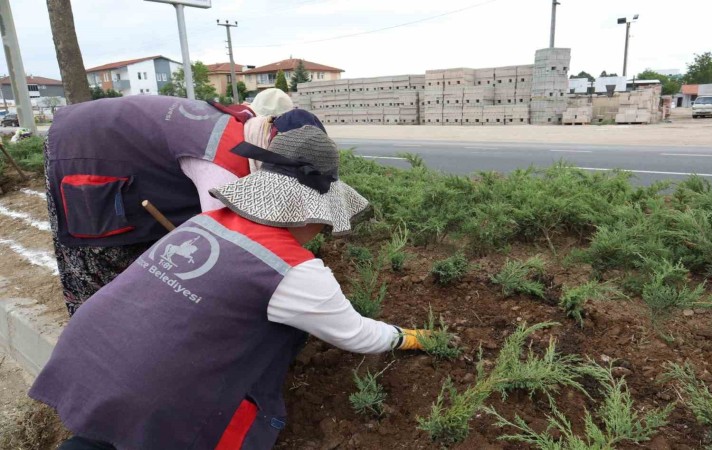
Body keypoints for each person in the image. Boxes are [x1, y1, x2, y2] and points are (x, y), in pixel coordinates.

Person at [30, 122, 429, 450]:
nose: (322, 232)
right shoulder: (294, 269)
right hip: (151, 394)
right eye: (324, 222)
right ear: (311, 212)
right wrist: (409, 337)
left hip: (89, 350)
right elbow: (357, 334)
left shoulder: (205, 222)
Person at [45, 92, 293, 316]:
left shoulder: (244, 123)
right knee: (107, 274)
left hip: (115, 143)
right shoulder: (225, 165)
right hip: (83, 149)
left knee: (159, 266)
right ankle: (101, 338)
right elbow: (221, 249)